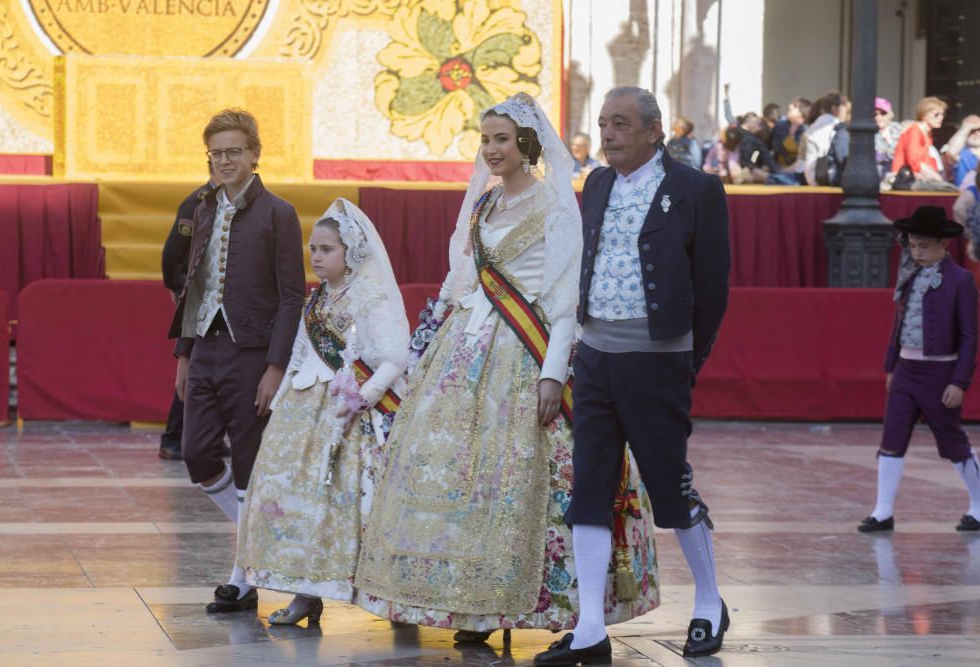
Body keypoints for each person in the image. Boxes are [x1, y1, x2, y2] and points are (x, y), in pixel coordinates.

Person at [356, 92, 659, 642]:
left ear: (525, 144)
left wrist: (552, 372)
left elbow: (566, 299)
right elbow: (459, 282)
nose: (491, 149)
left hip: (524, 349)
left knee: (518, 477)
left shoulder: (553, 206)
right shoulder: (483, 205)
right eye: (485, 139)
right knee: (451, 475)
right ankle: (464, 605)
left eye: (501, 139)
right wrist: (427, 347)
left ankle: (535, 606)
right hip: (462, 350)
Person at [535, 86, 731, 665]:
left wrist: (682, 359)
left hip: (657, 361)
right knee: (589, 489)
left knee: (669, 486)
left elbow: (713, 289)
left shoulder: (695, 188)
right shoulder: (596, 183)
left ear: (653, 130)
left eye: (619, 124)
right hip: (595, 358)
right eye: (602, 124)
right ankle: (592, 629)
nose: (607, 134)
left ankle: (709, 602)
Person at [236, 198, 408, 625]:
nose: (316, 256)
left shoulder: (368, 296)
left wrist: (362, 398)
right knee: (292, 498)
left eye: (327, 249)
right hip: (301, 409)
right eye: (313, 248)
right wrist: (280, 403)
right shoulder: (314, 302)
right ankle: (304, 592)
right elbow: (298, 352)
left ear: (351, 252)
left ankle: (387, 594)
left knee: (345, 505)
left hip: (348, 416)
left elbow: (393, 357)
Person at [168, 108, 305, 613]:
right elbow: (194, 285)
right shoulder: (203, 207)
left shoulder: (278, 213)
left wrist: (275, 366)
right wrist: (184, 352)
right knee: (197, 453)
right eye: (216, 153)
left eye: (233, 152)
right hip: (205, 347)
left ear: (254, 155)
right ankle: (260, 545)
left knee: (249, 464)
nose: (224, 161)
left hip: (252, 355)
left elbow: (293, 296)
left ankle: (242, 578)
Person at [858, 206, 980, 534]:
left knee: (953, 443)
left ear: (944, 245)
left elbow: (969, 335)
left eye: (924, 245)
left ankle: (979, 505)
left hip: (940, 374)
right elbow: (898, 325)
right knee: (891, 439)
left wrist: (960, 381)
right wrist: (890, 366)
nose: (917, 252)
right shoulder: (909, 277)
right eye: (913, 245)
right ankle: (883, 511)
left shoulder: (961, 280)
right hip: (906, 373)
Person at [158, 167, 219, 461]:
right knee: (192, 367)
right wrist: (177, 286)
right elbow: (173, 252)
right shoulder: (197, 202)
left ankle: (212, 437)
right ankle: (172, 438)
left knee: (217, 369)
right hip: (199, 297)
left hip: (224, 301)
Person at [891, 96, 948, 183]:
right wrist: (936, 178)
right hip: (904, 179)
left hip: (916, 177)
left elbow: (924, 161)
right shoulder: (914, 131)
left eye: (942, 114)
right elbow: (914, 160)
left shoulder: (926, 134)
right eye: (936, 114)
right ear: (924, 115)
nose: (941, 118)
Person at [802, 91, 850, 187]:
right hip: (829, 179)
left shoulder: (812, 127)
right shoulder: (837, 128)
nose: (847, 112)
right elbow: (841, 156)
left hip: (811, 178)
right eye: (845, 108)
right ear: (835, 108)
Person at [770, 97, 811, 168]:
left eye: (794, 106)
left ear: (802, 112)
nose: (790, 106)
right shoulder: (780, 125)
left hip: (799, 171)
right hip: (777, 169)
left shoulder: (808, 130)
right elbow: (770, 148)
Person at [943, 115, 980, 187]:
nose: (977, 133)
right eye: (972, 131)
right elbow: (951, 152)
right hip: (966, 195)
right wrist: (967, 127)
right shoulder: (963, 155)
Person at [873, 97, 903, 179]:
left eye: (883, 113)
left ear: (889, 115)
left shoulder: (897, 128)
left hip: (898, 174)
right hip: (878, 176)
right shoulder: (869, 133)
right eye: (874, 114)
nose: (879, 117)